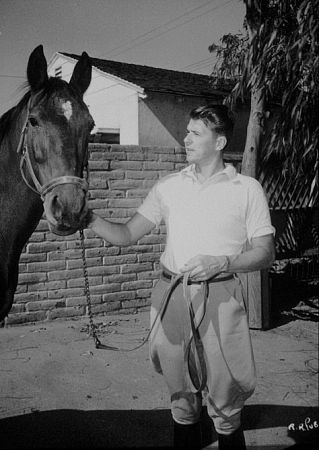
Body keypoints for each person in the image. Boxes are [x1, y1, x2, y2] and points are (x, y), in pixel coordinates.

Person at [83, 104, 275, 449]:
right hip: (170, 295)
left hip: (221, 296)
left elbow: (265, 253)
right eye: (187, 131)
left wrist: (224, 261)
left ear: (219, 142)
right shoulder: (168, 186)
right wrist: (88, 218)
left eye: (195, 133)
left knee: (225, 398)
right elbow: (127, 234)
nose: (185, 138)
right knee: (181, 397)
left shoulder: (247, 189)